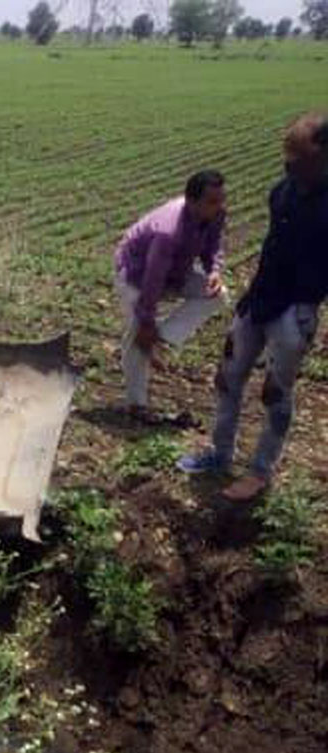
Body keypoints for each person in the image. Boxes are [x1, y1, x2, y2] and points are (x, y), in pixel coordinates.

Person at [179, 113, 328, 500]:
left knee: (276, 392)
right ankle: (220, 453)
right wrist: (248, 297)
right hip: (259, 299)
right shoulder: (283, 190)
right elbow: (272, 247)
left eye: (297, 153)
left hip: (296, 311)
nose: (288, 159)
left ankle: (260, 470)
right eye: (287, 151)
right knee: (227, 376)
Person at [114, 171, 229, 419]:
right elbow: (151, 280)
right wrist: (146, 323)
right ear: (191, 200)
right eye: (213, 201)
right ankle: (136, 405)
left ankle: (163, 337)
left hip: (176, 270)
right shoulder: (168, 231)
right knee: (137, 337)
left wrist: (214, 271)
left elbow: (214, 244)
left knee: (217, 295)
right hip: (137, 274)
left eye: (221, 199)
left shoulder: (215, 213)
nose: (220, 206)